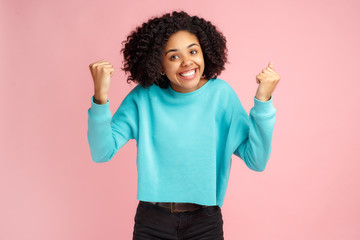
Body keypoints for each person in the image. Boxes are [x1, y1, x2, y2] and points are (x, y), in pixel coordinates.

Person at [87, 11, 280, 240]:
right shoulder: (144, 98)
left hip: (205, 223)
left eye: (193, 51)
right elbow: (101, 152)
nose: (187, 61)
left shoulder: (221, 96)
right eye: (173, 56)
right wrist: (100, 97)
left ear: (205, 53)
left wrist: (263, 102)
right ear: (159, 65)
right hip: (152, 222)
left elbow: (256, 160)